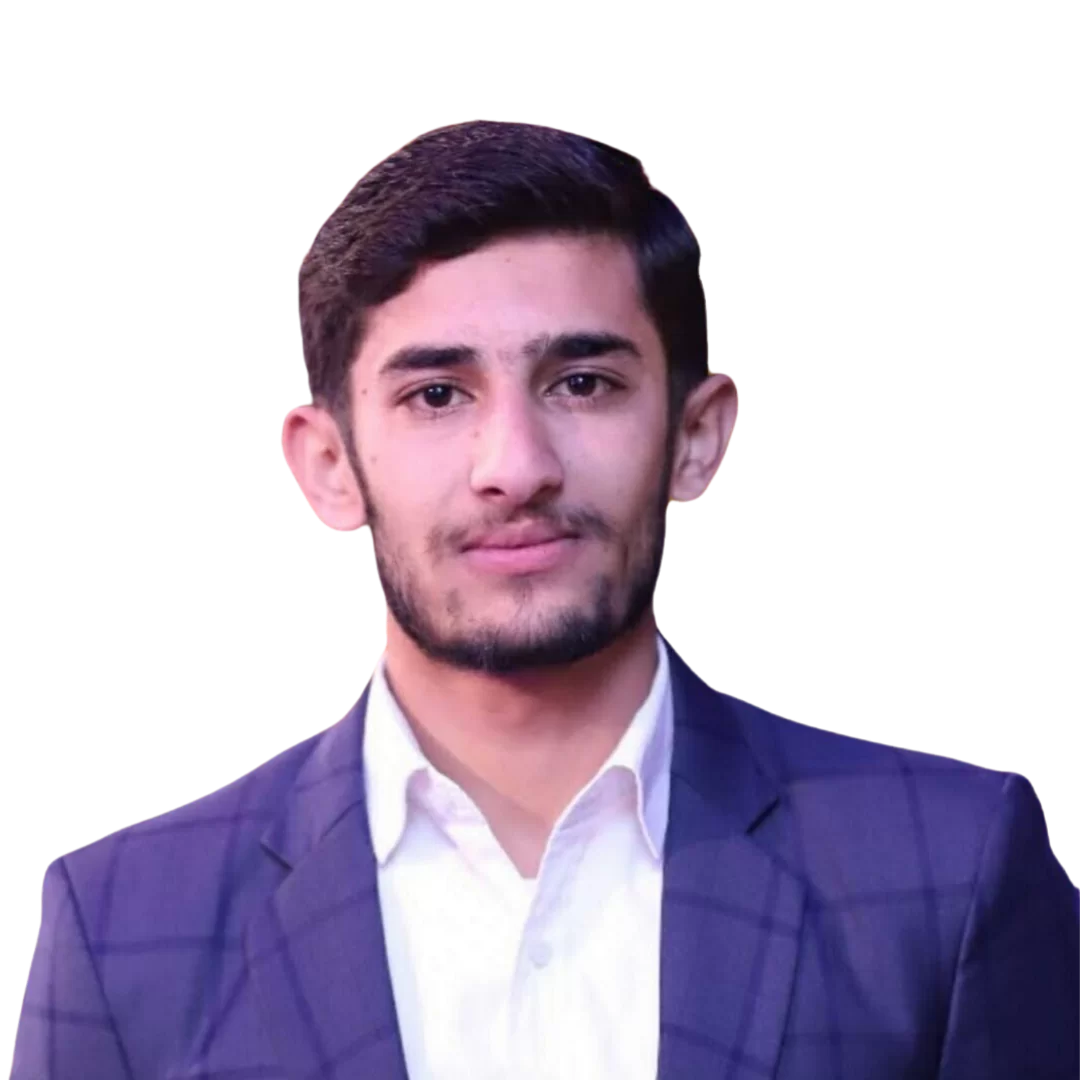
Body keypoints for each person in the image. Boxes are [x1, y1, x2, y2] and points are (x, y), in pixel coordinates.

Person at [10, 118, 1079, 1080]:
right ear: (329, 465)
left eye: (583, 383)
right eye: (437, 394)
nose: (516, 467)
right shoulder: (121, 926)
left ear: (696, 437)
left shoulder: (950, 870)